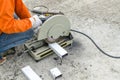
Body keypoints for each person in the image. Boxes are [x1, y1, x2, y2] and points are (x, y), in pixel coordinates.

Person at [0, 0, 42, 64]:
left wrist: (30, 19)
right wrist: (30, 22)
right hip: (5, 26)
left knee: (13, 15)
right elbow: (8, 26)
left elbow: (18, 5)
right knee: (29, 32)